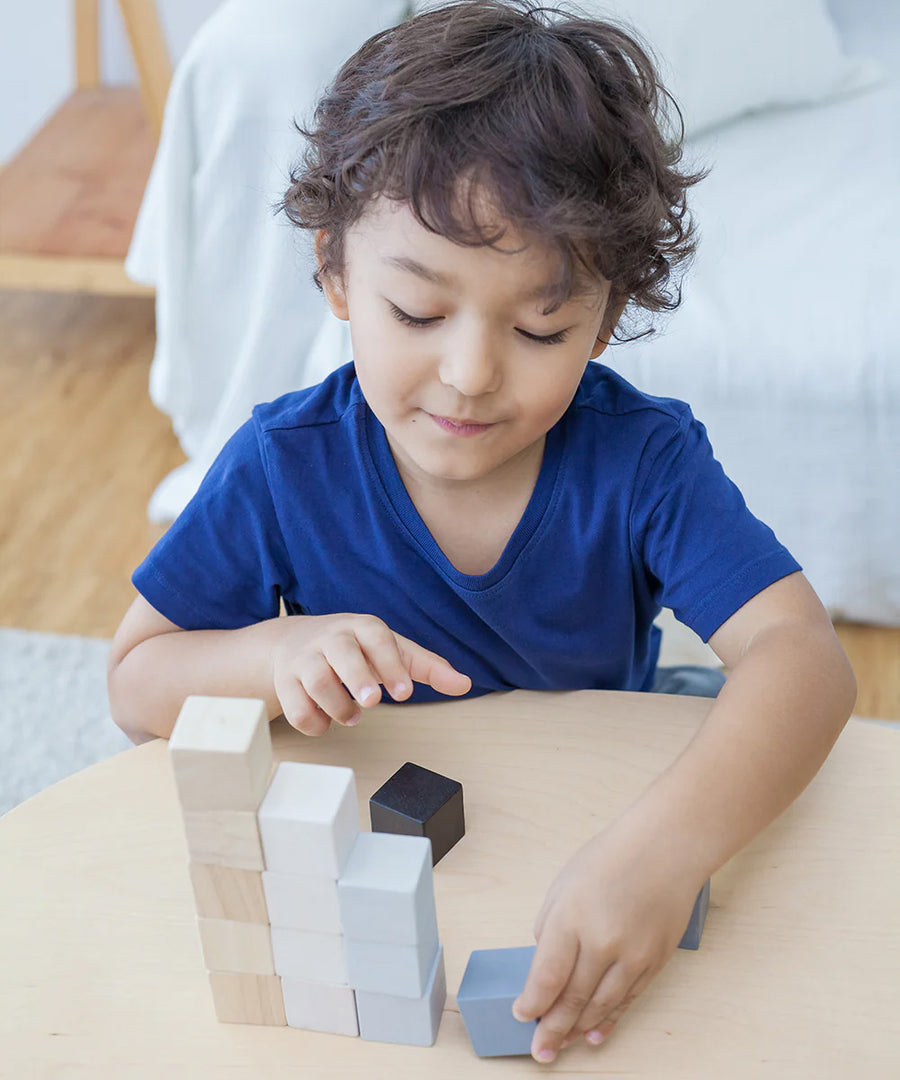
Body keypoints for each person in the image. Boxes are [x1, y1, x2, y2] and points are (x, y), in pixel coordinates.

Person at [108, 0, 856, 1063]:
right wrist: (272, 654)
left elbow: (806, 663)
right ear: (334, 273)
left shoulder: (642, 460)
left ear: (603, 321)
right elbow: (137, 685)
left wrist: (662, 857)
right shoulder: (286, 463)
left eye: (542, 328)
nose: (470, 374)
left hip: (595, 824)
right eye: (417, 314)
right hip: (383, 861)